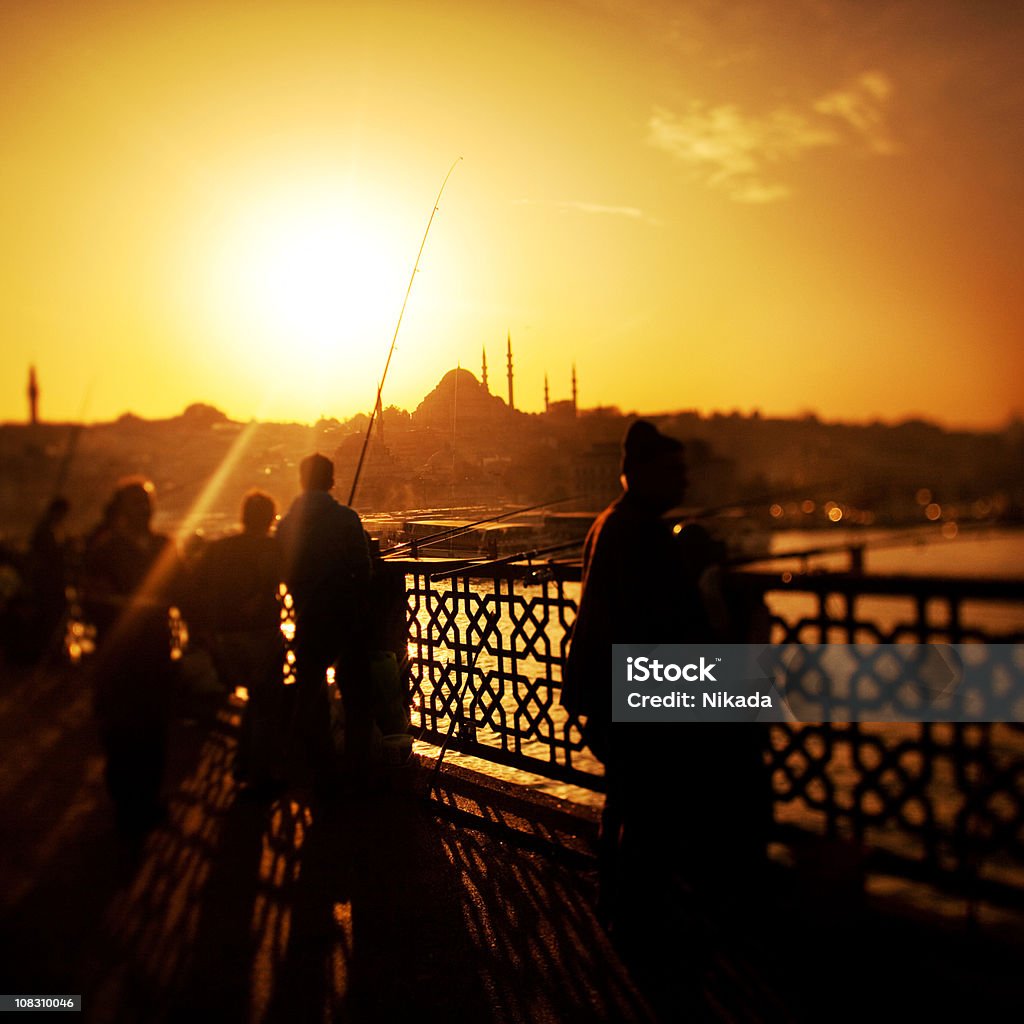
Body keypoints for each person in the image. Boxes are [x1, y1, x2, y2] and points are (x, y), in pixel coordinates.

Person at [562, 421, 770, 949]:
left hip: (604, 685)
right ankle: (640, 924)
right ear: (640, 473)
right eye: (674, 472)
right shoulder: (643, 534)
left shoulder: (610, 522)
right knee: (651, 810)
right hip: (634, 690)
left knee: (627, 801)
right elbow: (675, 624)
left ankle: (617, 907)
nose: (684, 483)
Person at [82, 478, 181, 836]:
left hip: (156, 656)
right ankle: (127, 808)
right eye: (135, 502)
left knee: (154, 733)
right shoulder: (104, 552)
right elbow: (93, 603)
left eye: (147, 502)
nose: (143, 509)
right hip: (118, 661)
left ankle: (149, 802)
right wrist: (141, 607)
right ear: (122, 509)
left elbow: (183, 593)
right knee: (122, 737)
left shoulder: (164, 547)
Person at [276, 454, 373, 792]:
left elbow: (283, 571)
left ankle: (322, 768)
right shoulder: (345, 519)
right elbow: (363, 570)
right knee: (356, 692)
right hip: (344, 617)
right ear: (331, 481)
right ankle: (358, 768)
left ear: (302, 481)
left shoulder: (286, 524)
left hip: (306, 618)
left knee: (313, 692)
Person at [194, 490, 284, 789]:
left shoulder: (220, 548)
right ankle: (259, 773)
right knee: (265, 701)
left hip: (225, 635)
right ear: (271, 518)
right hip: (260, 633)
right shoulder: (272, 548)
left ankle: (243, 765)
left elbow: (199, 585)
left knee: (250, 700)